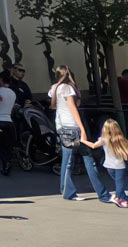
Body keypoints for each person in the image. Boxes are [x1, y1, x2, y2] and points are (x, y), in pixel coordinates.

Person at [50, 65, 111, 202]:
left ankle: (68, 191)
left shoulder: (55, 88)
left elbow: (53, 106)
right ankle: (102, 194)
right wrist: (82, 130)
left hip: (62, 126)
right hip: (72, 126)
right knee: (85, 159)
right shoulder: (68, 88)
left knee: (69, 161)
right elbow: (74, 109)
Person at [82, 119, 128, 208]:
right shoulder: (121, 140)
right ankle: (119, 199)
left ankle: (122, 196)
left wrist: (83, 140)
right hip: (119, 167)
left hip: (108, 166)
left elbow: (93, 145)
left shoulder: (103, 139)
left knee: (118, 183)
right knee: (120, 183)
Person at [0, 72, 18, 175]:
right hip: (9, 121)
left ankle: (6, 162)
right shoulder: (13, 93)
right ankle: (7, 163)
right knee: (7, 145)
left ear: (1, 80)